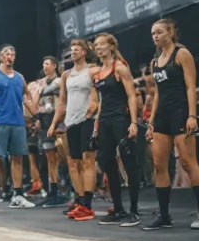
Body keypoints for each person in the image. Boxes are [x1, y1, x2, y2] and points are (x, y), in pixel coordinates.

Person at [143, 20, 199, 230]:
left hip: (181, 113)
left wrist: (192, 115)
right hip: (162, 115)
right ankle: (164, 215)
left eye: (159, 32)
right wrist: (151, 121)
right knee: (158, 164)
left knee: (188, 162)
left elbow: (191, 88)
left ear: (171, 32)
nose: (155, 36)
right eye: (153, 33)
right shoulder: (155, 62)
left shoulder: (181, 54)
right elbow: (157, 94)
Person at [0, 44, 38, 210]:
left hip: (18, 123)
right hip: (0, 123)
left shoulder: (20, 78)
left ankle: (17, 195)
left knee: (18, 158)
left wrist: (37, 116)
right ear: (0, 57)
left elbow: (27, 98)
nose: (10, 57)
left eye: (12, 54)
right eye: (7, 54)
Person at [90, 33, 141, 226]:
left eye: (101, 45)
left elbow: (131, 96)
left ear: (111, 46)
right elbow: (102, 102)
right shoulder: (98, 72)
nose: (98, 48)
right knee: (107, 163)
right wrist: (97, 123)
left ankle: (134, 211)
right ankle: (118, 209)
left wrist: (134, 122)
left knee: (129, 162)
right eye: (96, 45)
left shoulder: (119, 68)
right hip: (105, 120)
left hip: (121, 118)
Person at [49, 40, 99, 220]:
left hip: (87, 120)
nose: (74, 52)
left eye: (77, 49)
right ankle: (79, 200)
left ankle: (88, 204)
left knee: (88, 161)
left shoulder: (93, 70)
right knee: (73, 163)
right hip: (70, 122)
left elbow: (97, 95)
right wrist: (54, 123)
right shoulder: (66, 75)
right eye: (72, 50)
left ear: (85, 52)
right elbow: (62, 102)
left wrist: (95, 106)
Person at [37, 57, 68, 208]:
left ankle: (70, 190)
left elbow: (63, 100)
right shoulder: (42, 82)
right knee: (49, 157)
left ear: (54, 66)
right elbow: (38, 101)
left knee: (64, 155)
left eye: (47, 64)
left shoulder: (60, 81)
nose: (44, 66)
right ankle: (53, 191)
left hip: (59, 119)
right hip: (45, 120)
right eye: (43, 64)